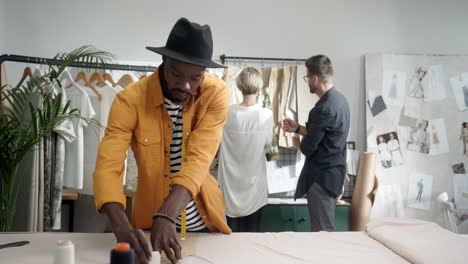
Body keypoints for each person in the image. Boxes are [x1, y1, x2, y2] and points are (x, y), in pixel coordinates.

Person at [93, 17, 231, 264]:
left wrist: (167, 215)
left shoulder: (216, 94)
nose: (186, 85)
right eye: (177, 74)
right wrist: (121, 225)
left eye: (196, 78)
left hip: (205, 224)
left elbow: (200, 159)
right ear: (163, 62)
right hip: (149, 225)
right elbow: (108, 164)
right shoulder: (130, 100)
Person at [282, 55, 350, 232]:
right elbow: (326, 135)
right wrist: (298, 129)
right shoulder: (341, 101)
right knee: (325, 230)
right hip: (334, 176)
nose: (307, 82)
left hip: (321, 180)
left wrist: (304, 138)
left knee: (323, 233)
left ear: (315, 78)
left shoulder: (322, 109)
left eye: (307, 78)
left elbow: (307, 148)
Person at [217, 67, 274, 232]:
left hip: (228, 188)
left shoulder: (226, 113)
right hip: (255, 189)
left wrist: (223, 84)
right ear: (259, 87)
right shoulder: (266, 115)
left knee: (229, 238)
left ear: (240, 87)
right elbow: (271, 152)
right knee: (253, 238)